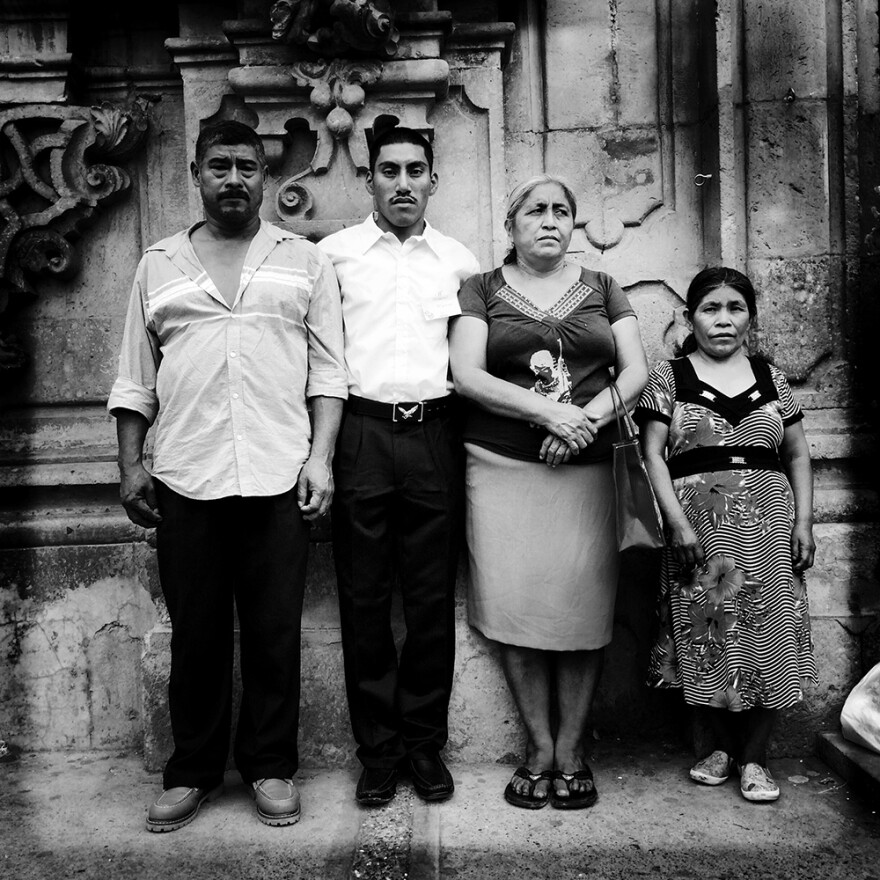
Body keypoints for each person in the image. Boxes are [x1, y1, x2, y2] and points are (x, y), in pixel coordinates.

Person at [108, 120, 347, 831]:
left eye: (247, 166)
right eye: (221, 166)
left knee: (275, 632)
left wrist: (321, 458)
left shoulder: (303, 260)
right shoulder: (157, 264)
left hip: (279, 472)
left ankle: (271, 766)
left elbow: (329, 371)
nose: (234, 178)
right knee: (198, 635)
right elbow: (134, 378)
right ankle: (193, 772)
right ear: (196, 173)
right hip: (186, 475)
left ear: (265, 177)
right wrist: (130, 467)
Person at [448, 174, 648, 810]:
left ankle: (572, 750)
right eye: (536, 211)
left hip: (588, 471)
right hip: (501, 467)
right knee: (516, 609)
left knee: (582, 612)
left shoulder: (602, 288)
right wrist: (546, 416)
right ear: (511, 225)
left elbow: (637, 370)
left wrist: (580, 420)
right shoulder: (480, 289)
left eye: (563, 211)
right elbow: (466, 375)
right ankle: (538, 747)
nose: (551, 221)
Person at [318, 126, 480, 806]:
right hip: (360, 432)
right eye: (390, 171)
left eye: (417, 169)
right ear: (371, 181)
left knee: (429, 601)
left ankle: (423, 746)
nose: (404, 182)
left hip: (435, 438)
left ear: (434, 180)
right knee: (361, 600)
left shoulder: (460, 261)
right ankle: (377, 752)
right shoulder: (333, 255)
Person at [635, 266, 817, 803]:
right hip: (699, 531)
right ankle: (714, 747)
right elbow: (651, 454)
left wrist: (805, 521)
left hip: (768, 527)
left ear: (749, 318)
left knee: (770, 632)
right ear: (690, 317)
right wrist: (677, 522)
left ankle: (756, 759)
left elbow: (799, 453)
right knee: (701, 630)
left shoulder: (771, 377)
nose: (723, 319)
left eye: (735, 308)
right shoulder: (669, 376)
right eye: (710, 309)